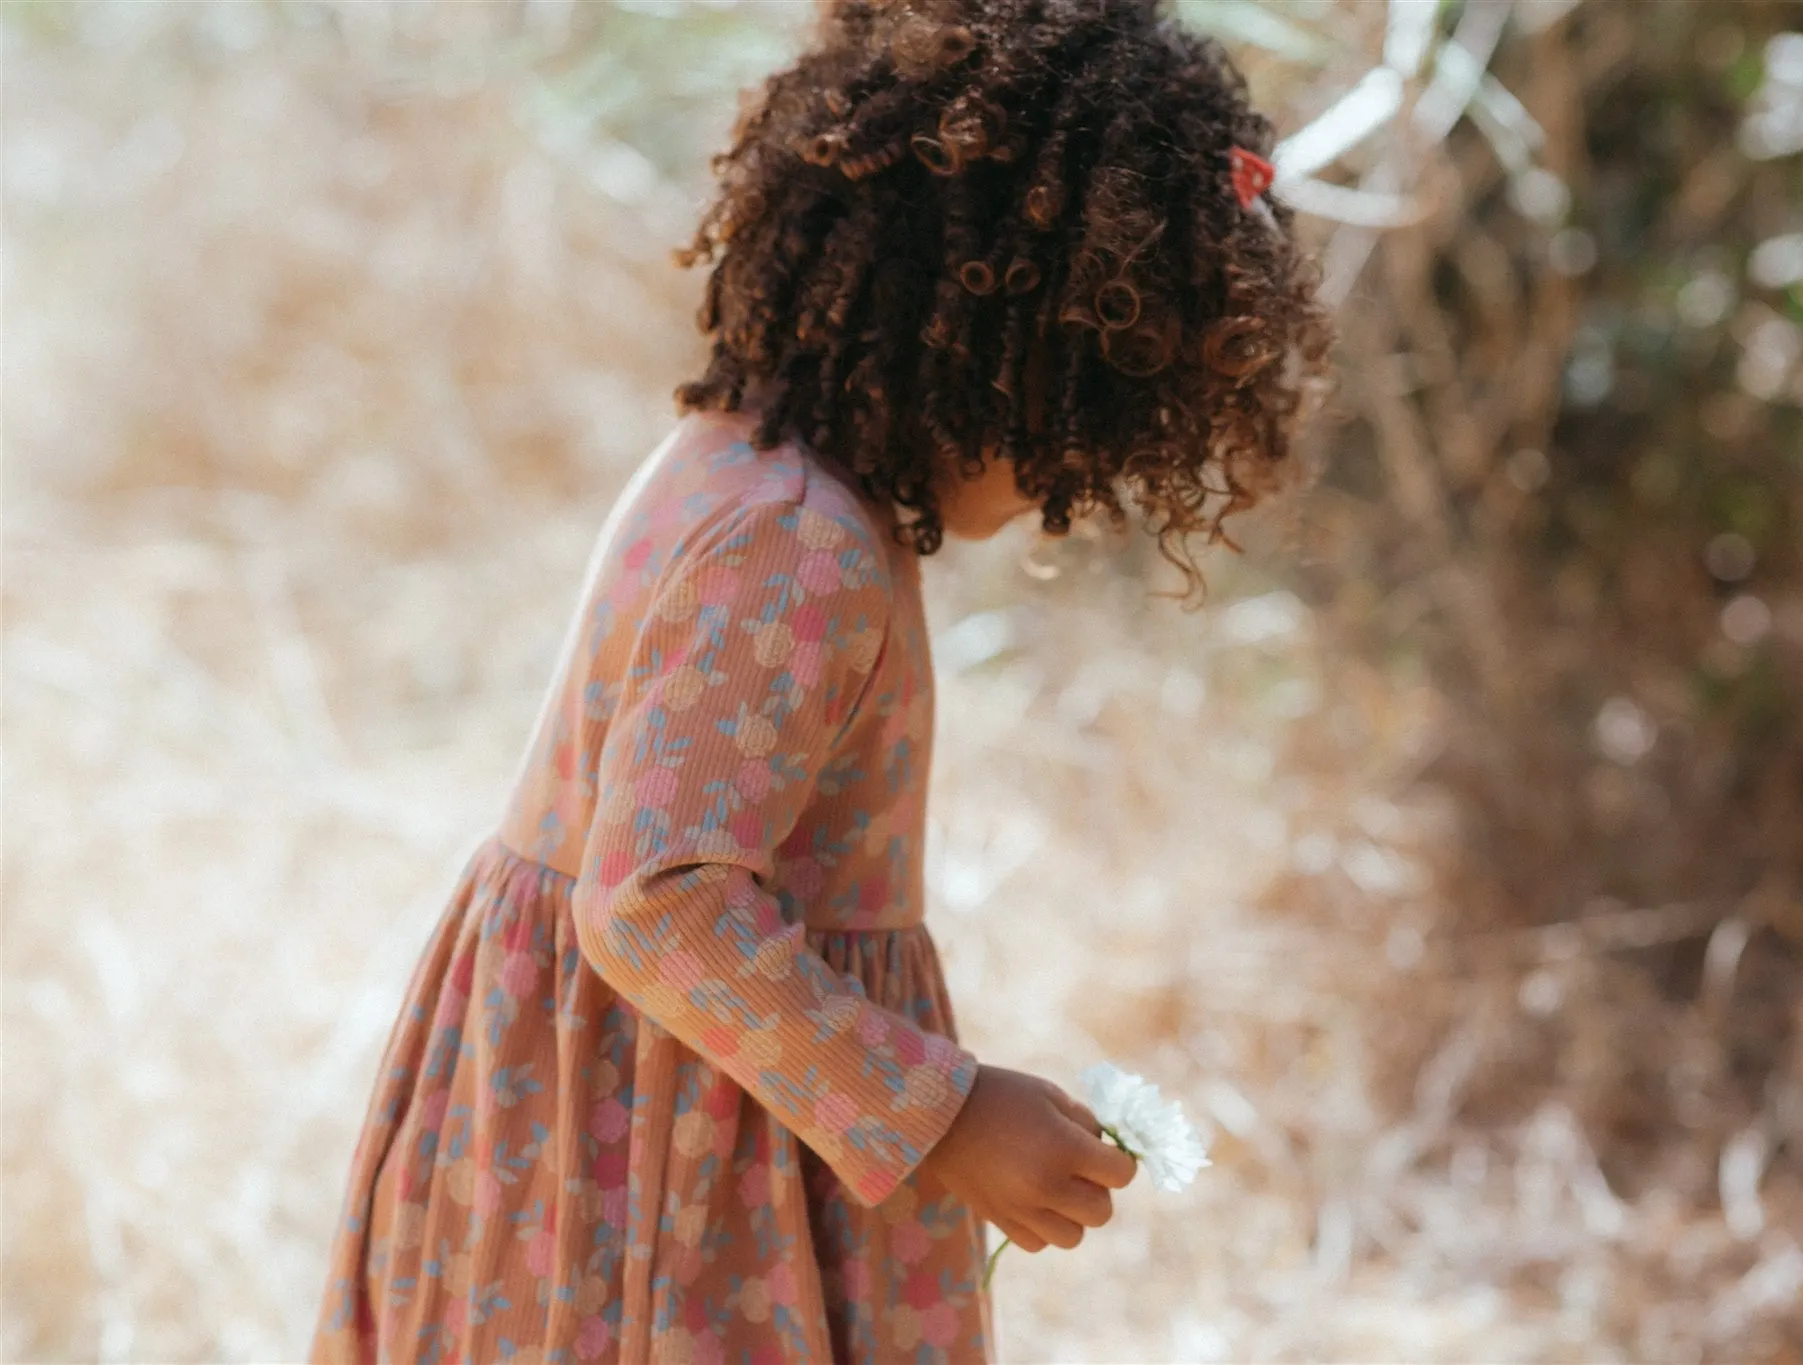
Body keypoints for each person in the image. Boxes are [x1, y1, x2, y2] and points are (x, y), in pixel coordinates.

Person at [313, 0, 1325, 1359]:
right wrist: (944, 1112)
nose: (1062, 494)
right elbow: (657, 900)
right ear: (989, 349)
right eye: (1084, 418)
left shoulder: (740, 460)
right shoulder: (797, 542)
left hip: (639, 1112)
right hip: (654, 1169)